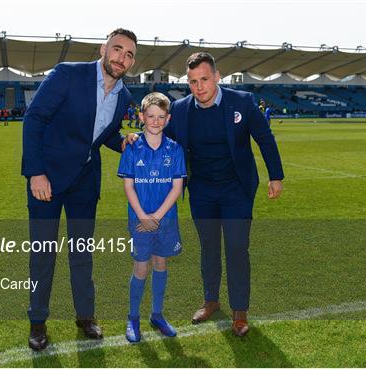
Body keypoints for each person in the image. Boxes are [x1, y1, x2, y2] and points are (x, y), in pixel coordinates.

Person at [21, 28, 137, 351]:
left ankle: (85, 316)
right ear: (104, 48)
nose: (121, 58)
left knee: (82, 253)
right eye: (117, 49)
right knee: (43, 254)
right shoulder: (67, 75)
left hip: (85, 182)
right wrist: (36, 173)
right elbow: (34, 119)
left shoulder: (124, 96)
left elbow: (102, 134)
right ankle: (38, 321)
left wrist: (122, 140)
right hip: (48, 179)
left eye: (129, 54)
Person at [165, 52, 284, 337]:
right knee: (208, 248)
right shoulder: (180, 109)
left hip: (236, 190)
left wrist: (276, 175)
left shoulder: (241, 102)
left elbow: (264, 137)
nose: (199, 86)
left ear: (217, 77)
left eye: (204, 79)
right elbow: (162, 137)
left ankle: (239, 312)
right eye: (193, 81)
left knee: (236, 248)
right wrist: (137, 139)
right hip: (202, 191)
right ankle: (211, 301)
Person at [117, 92, 186, 343]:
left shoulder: (175, 149)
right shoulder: (133, 147)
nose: (155, 121)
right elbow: (128, 187)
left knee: (161, 264)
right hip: (140, 221)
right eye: (151, 116)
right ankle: (133, 318)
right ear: (141, 117)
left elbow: (177, 188)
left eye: (161, 116)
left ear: (167, 119)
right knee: (141, 267)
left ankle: (157, 315)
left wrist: (156, 216)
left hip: (165, 221)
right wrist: (144, 217)